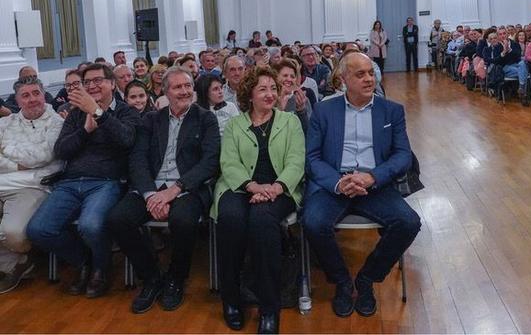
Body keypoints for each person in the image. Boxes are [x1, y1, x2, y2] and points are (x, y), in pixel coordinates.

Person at [303, 52, 419, 319]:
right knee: (312, 222)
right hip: (336, 183)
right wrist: (337, 182)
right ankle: (342, 282)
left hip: (373, 185)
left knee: (409, 222)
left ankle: (367, 279)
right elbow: (312, 158)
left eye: (371, 72)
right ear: (343, 79)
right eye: (360, 74)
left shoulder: (391, 110)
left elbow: (403, 155)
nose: (369, 79)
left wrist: (374, 176)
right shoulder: (324, 110)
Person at [106, 67, 220, 314]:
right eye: (178, 87)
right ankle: (151, 277)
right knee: (118, 219)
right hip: (152, 187)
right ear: (166, 92)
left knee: (183, 220)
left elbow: (210, 162)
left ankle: (176, 278)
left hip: (187, 187)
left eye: (188, 86)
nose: (184, 91)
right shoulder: (151, 120)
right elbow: (137, 160)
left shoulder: (205, 118)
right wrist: (150, 195)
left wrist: (175, 190)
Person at [26, 63, 139, 297]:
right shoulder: (77, 113)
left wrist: (98, 113)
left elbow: (126, 140)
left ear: (112, 83)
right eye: (87, 82)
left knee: (90, 225)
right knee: (39, 230)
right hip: (70, 182)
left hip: (106, 182)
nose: (92, 86)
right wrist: (84, 131)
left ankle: (101, 268)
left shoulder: (126, 111)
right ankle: (85, 260)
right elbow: (62, 150)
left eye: (98, 80)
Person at [214, 66, 306, 333]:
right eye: (262, 89)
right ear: (249, 95)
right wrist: (253, 186)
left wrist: (275, 189)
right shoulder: (235, 125)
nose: (270, 94)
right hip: (240, 186)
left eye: (273, 89)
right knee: (230, 218)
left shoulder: (290, 122)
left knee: (262, 221)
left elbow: (296, 161)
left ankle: (269, 307)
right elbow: (228, 163)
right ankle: (231, 299)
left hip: (280, 189)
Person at [0, 77, 64, 294]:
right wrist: (18, 164)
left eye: (36, 93)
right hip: (4, 184)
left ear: (43, 94)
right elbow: (31, 159)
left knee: (13, 233)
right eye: (25, 95)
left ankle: (25, 256)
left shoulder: (56, 123)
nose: (32, 99)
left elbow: (42, 156)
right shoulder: (5, 123)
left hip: (35, 186)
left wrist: (5, 148)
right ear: (17, 100)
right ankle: (13, 264)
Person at [275, 58, 312, 135]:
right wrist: (279, 108)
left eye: (292, 76)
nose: (289, 79)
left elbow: (309, 131)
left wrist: (301, 110)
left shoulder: (303, 100)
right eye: (285, 75)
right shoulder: (270, 99)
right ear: (276, 77)